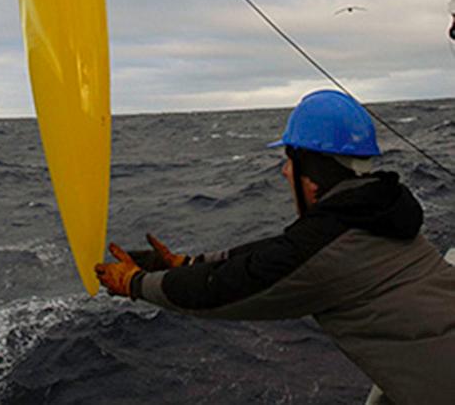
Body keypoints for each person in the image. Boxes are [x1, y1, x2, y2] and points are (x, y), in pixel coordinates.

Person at [95, 89, 455, 405]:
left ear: (311, 171)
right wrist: (183, 263)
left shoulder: (328, 251)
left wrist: (135, 283)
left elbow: (222, 290)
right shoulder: (382, 214)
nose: (284, 172)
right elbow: (278, 253)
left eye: (289, 160)